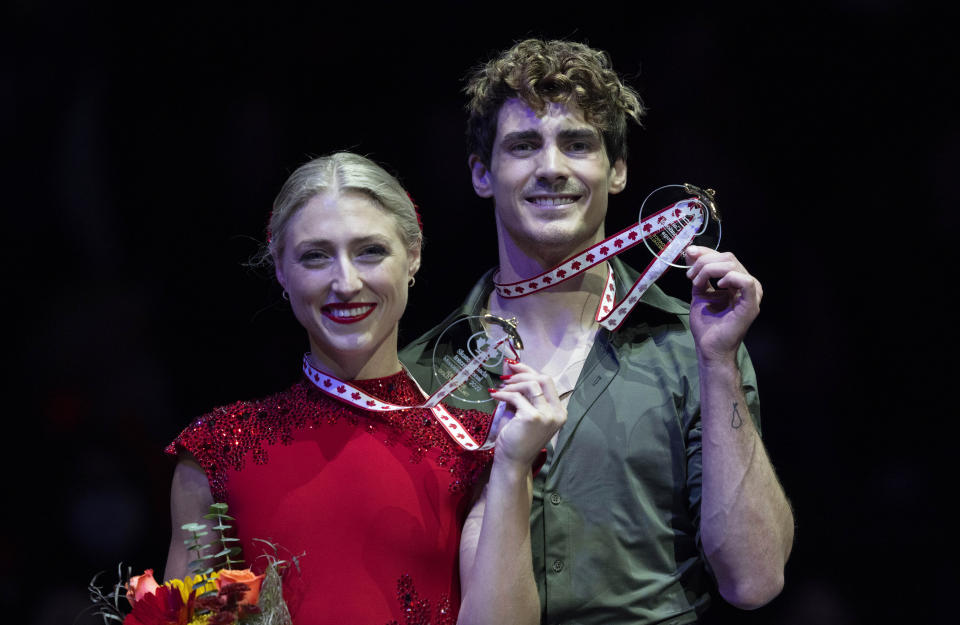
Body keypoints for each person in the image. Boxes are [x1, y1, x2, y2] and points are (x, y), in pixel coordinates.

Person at [400, 39, 795, 624]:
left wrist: (718, 363)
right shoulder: (421, 374)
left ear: (618, 171)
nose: (552, 167)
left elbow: (754, 579)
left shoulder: (692, 348)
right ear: (483, 174)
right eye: (524, 145)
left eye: (578, 144)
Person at [163, 152, 565, 625]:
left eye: (370, 251)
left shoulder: (476, 445)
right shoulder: (215, 450)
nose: (346, 282)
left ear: (412, 256)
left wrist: (513, 463)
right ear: (280, 270)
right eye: (315, 256)